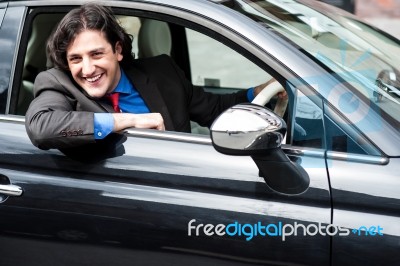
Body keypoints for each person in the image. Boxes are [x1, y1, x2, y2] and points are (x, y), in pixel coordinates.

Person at [25, 3, 284, 151]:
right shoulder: (58, 83)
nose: (88, 68)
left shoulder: (163, 73)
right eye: (76, 59)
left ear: (117, 50)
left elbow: (215, 110)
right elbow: (41, 126)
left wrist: (257, 92)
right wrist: (126, 120)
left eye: (96, 54)